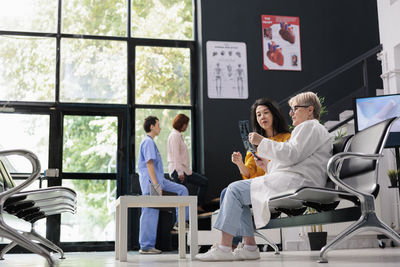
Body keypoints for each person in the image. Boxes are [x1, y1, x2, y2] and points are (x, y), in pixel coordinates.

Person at [196, 92, 332, 261]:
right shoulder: (310, 129)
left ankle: (224, 248)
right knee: (237, 193)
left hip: (299, 182)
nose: (291, 113)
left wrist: (262, 142)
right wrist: (267, 165)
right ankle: (250, 247)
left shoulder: (309, 127)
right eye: (291, 109)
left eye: (295, 109)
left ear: (310, 110)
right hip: (296, 179)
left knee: (234, 190)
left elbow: (291, 155)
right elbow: (293, 159)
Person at [137, 116, 189, 254]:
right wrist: (155, 185)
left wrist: (159, 183)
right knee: (150, 212)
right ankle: (146, 246)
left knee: (182, 190)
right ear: (152, 126)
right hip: (152, 183)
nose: (160, 127)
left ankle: (181, 222)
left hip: (160, 181)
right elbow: (149, 164)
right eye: (158, 125)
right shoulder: (147, 142)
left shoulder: (151, 142)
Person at [168, 114, 209, 212]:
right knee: (182, 197)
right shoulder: (174, 136)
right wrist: (180, 172)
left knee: (204, 182)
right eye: (186, 124)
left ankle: (197, 205)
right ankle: (179, 222)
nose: (186, 126)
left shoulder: (177, 135)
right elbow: (176, 155)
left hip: (184, 170)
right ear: (181, 124)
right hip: (178, 171)